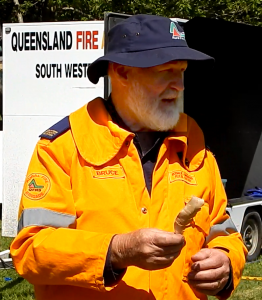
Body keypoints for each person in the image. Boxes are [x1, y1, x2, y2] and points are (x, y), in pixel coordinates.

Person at [10, 14, 247, 300]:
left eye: (181, 71)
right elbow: (30, 251)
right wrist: (117, 250)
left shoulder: (194, 146)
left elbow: (223, 230)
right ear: (122, 72)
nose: (180, 86)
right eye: (166, 71)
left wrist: (226, 261)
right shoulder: (62, 148)